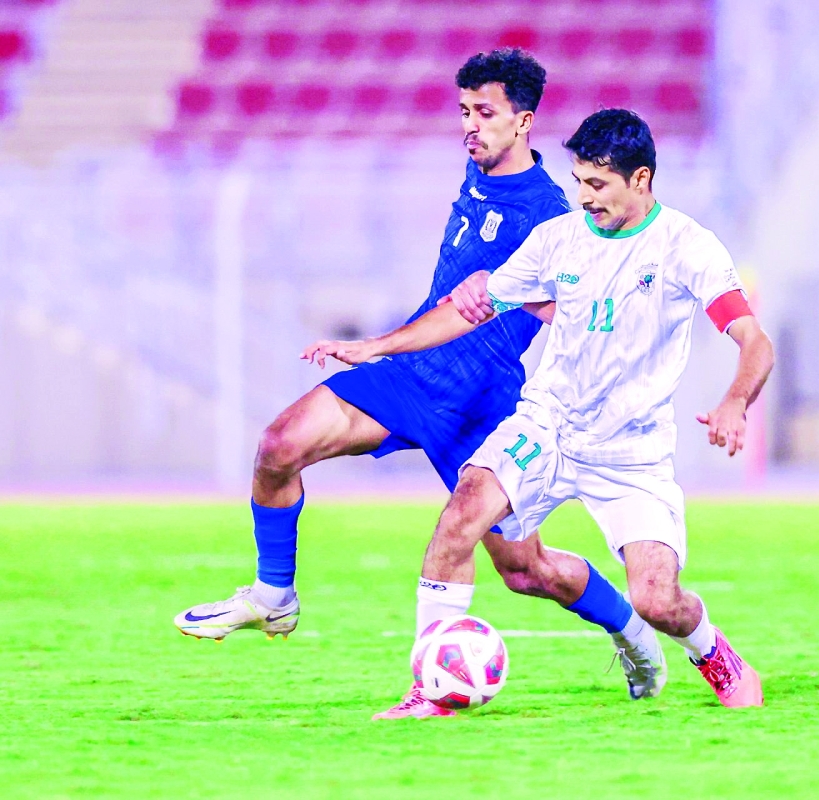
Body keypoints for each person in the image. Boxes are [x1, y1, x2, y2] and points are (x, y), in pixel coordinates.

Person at [175, 51, 665, 719]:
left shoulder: (553, 214)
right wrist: (382, 349)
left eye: (485, 113)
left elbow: (579, 299)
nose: (470, 125)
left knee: (527, 571)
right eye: (464, 111)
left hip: (483, 405)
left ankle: (632, 630)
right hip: (413, 377)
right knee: (279, 446)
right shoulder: (478, 170)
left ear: (524, 121)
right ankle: (274, 595)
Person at [311, 108, 775, 708]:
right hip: (548, 424)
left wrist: (736, 401)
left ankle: (711, 652)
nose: (584, 197)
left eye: (597, 184)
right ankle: (430, 688)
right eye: (578, 181)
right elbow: (470, 310)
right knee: (461, 517)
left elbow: (753, 340)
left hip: (631, 448)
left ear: (641, 179)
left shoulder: (687, 247)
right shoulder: (559, 239)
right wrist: (377, 347)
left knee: (657, 600)